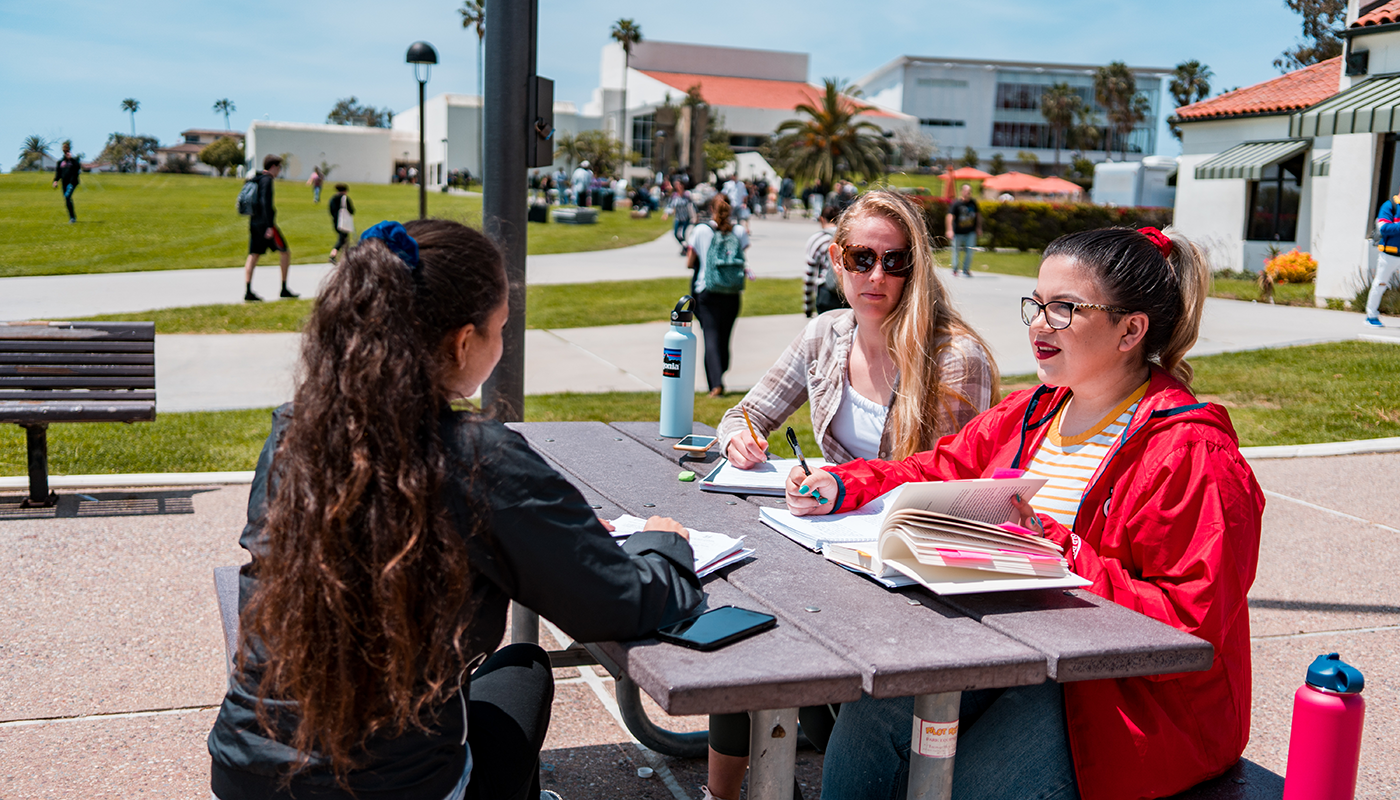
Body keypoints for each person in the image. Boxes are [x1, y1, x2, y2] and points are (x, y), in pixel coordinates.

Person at [207, 218, 704, 800]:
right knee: (526, 670)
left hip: (243, 770)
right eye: (499, 330)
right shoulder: (476, 458)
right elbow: (620, 604)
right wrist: (665, 544)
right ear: (463, 341)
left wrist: (549, 534)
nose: (501, 345)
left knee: (498, 683)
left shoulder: (292, 433)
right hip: (393, 788)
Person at [787, 226, 1264, 800]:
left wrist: (1058, 552)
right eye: (1036, 304)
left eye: (1063, 309)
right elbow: (939, 468)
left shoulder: (1192, 454)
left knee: (964, 787)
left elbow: (1190, 634)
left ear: (1130, 330)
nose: (1039, 323)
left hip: (1132, 703)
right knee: (869, 725)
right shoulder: (1033, 411)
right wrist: (842, 484)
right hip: (1019, 651)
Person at [702, 191, 999, 800]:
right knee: (743, 634)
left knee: (774, 648)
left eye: (896, 262)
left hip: (906, 564)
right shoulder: (825, 335)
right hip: (825, 542)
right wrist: (743, 441)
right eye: (862, 258)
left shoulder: (953, 357)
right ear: (836, 260)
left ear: (917, 270)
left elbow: (957, 484)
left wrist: (842, 491)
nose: (876, 276)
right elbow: (741, 415)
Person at [687, 196, 750, 397]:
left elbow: (690, 262)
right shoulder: (738, 231)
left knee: (711, 336)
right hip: (731, 292)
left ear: (711, 209)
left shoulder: (701, 231)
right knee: (725, 337)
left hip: (707, 290)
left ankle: (715, 384)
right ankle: (720, 372)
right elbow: (742, 253)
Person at [244, 155, 297, 302]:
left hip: (254, 222)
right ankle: (284, 288)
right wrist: (268, 226)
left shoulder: (256, 179)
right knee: (285, 252)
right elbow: (265, 202)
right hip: (266, 225)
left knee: (253, 254)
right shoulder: (267, 181)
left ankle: (248, 290)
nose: (280, 170)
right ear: (273, 166)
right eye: (279, 167)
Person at [802, 201, 847, 318]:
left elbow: (809, 275)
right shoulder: (847, 237)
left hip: (826, 294)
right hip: (846, 293)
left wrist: (808, 306)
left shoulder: (817, 240)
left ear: (822, 219)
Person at [1368, 191, 1400, 326]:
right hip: (1389, 255)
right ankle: (1371, 316)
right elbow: (1383, 228)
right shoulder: (1390, 206)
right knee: (1380, 284)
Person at [945, 183, 982, 277]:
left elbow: (978, 216)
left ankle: (966, 269)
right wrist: (949, 230)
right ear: (962, 192)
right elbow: (950, 217)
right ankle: (955, 269)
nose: (967, 193)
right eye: (966, 191)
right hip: (958, 232)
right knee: (956, 251)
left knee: (970, 251)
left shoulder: (973, 203)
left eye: (969, 192)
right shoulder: (956, 204)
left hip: (970, 231)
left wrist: (978, 228)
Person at [52, 140, 81, 223]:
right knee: (67, 199)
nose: (65, 150)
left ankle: (72, 218)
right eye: (64, 149)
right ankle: (72, 217)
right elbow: (58, 173)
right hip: (64, 183)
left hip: (72, 182)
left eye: (66, 149)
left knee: (67, 196)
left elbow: (77, 168)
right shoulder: (61, 162)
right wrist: (55, 181)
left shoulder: (74, 161)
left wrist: (71, 159)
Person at [327, 184, 354, 264]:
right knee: (342, 240)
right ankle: (333, 255)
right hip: (344, 222)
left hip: (336, 221)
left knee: (344, 239)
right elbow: (351, 211)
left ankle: (345, 257)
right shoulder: (345, 199)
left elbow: (331, 210)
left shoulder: (332, 199)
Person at [668, 190, 695, 256]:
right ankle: (685, 246)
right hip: (678, 218)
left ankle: (686, 247)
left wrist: (693, 217)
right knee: (675, 233)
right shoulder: (674, 196)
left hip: (685, 218)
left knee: (684, 234)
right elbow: (671, 206)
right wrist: (667, 213)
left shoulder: (687, 195)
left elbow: (691, 206)